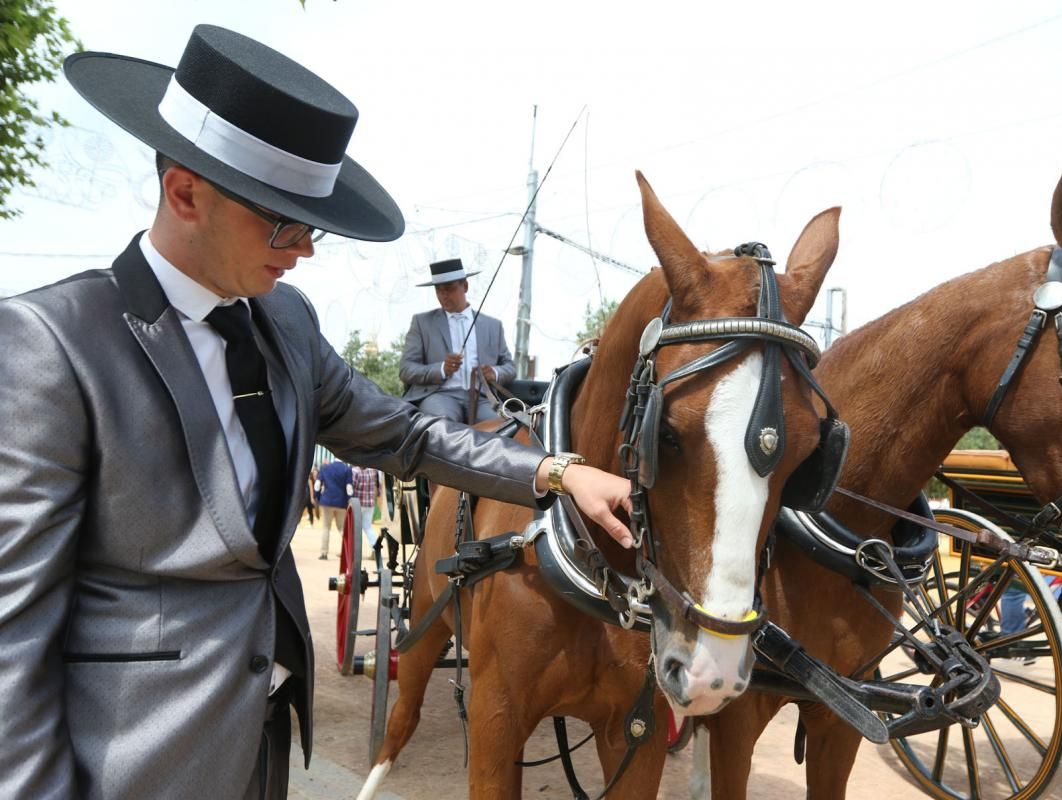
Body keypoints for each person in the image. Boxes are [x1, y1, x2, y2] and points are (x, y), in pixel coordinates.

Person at [0, 25, 633, 800]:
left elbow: (402, 432)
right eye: (281, 222)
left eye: (314, 227)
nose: (302, 249)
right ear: (185, 192)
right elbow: (12, 632)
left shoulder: (286, 322)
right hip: (129, 763)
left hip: (262, 748)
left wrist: (556, 469)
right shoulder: (52, 343)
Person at [399, 258, 517, 423]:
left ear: (465, 286)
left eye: (449, 289)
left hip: (482, 398)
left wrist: (495, 373)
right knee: (442, 425)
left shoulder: (493, 326)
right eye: (438, 290)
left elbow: (510, 368)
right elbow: (406, 369)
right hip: (439, 395)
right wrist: (441, 369)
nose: (443, 295)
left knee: (505, 429)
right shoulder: (422, 323)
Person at [315, 458, 354, 560]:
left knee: (326, 528)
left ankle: (324, 553)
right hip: (341, 503)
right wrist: (349, 500)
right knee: (341, 528)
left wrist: (318, 497)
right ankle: (349, 551)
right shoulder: (347, 469)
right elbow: (349, 488)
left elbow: (317, 485)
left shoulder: (325, 468)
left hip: (327, 501)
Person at [350, 464, 383, 556]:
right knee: (368, 527)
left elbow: (353, 487)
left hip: (358, 503)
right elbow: (378, 485)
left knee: (356, 528)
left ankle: (354, 551)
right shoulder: (372, 471)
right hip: (370, 503)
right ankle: (375, 547)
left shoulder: (355, 471)